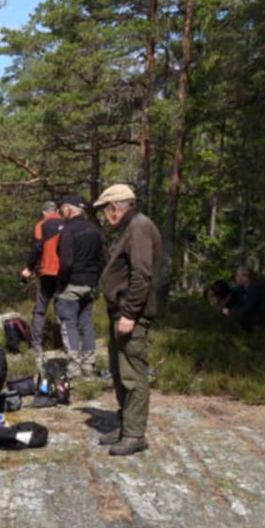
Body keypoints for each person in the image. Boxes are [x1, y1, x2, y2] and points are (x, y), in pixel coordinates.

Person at [94, 183, 161, 457]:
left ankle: (134, 434)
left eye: (104, 211)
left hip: (130, 315)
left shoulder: (139, 227)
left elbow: (141, 275)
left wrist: (130, 313)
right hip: (121, 313)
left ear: (114, 208)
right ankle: (126, 426)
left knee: (132, 375)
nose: (104, 217)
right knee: (120, 372)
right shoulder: (131, 228)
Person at [55, 194, 104, 378]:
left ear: (68, 209)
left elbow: (66, 262)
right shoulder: (94, 230)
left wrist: (61, 285)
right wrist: (95, 280)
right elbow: (102, 259)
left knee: (69, 325)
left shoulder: (68, 230)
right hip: (90, 284)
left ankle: (73, 368)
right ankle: (88, 365)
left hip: (72, 283)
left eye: (61, 210)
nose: (61, 214)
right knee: (86, 325)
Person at [19, 200, 66, 366]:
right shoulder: (67, 223)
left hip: (47, 270)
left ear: (44, 212)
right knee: (63, 309)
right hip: (65, 271)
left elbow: (38, 246)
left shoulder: (42, 225)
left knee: (40, 310)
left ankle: (37, 346)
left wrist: (29, 268)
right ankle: (63, 345)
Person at [220, 266, 265, 333]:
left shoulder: (255, 287)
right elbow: (231, 291)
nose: (236, 277)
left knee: (240, 315)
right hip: (259, 312)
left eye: (238, 275)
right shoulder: (243, 287)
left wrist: (230, 312)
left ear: (245, 277)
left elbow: (248, 308)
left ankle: (261, 333)